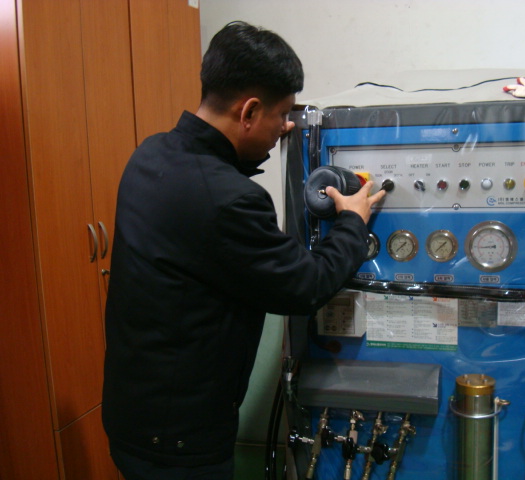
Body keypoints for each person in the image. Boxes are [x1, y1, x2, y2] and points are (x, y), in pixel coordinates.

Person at [102, 21, 385, 480]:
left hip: (132, 419)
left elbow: (207, 220)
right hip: (181, 444)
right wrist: (353, 220)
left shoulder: (150, 155)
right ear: (249, 110)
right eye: (281, 114)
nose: (286, 126)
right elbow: (307, 285)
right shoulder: (229, 199)